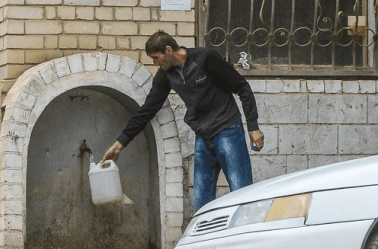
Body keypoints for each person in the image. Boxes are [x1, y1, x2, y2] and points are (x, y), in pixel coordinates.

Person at [102, 31, 264, 210]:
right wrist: (120, 144)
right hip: (203, 136)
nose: (155, 63)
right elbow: (148, 109)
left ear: (168, 50)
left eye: (156, 58)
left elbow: (242, 87)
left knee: (241, 194)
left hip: (228, 130)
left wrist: (253, 126)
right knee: (201, 202)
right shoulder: (165, 75)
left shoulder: (205, 58)